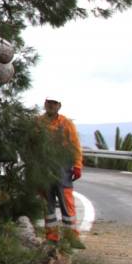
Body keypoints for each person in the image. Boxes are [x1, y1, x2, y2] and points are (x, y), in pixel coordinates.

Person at [41, 98, 83, 241]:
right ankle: (52, 236)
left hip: (62, 168)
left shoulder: (66, 123)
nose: (51, 105)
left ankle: (71, 237)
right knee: (47, 204)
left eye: (54, 103)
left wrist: (77, 165)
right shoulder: (38, 122)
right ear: (45, 104)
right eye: (49, 102)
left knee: (66, 202)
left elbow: (75, 145)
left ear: (59, 106)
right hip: (43, 167)